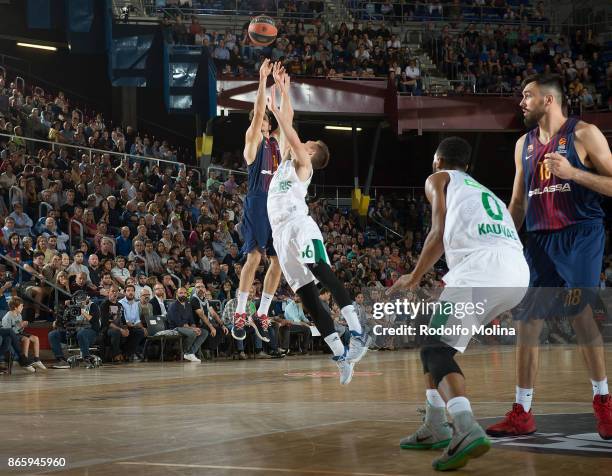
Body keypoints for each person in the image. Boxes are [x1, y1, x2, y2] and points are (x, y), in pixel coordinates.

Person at [388, 137, 529, 470]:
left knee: (435, 349)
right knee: (435, 345)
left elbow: (437, 233)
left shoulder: (439, 179)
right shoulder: (482, 191)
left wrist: (414, 275)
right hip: (517, 273)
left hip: (481, 271)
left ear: (438, 161)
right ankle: (435, 425)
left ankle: (464, 427)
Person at [486, 74, 612, 440]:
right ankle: (522, 411)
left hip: (580, 233)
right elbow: (519, 203)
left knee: (580, 312)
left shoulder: (584, 134)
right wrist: (502, 240)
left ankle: (603, 402)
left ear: (549, 101)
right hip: (539, 238)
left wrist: (573, 173)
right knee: (528, 320)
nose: (521, 102)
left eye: (528, 95)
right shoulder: (523, 144)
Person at [266, 66, 371, 385]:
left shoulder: (305, 163)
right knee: (308, 297)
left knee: (323, 271)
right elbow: (290, 125)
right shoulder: (287, 160)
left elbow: (291, 131)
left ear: (312, 152)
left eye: (308, 142)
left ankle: (358, 330)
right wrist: (284, 91)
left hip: (300, 226)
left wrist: (275, 109)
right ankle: (341, 355)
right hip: (281, 234)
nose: (303, 141)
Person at [232, 58, 283, 343]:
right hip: (256, 203)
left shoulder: (276, 143)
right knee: (253, 257)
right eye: (258, 115)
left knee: (278, 262)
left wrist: (283, 92)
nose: (261, 117)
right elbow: (259, 112)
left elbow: (287, 122)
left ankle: (261, 313)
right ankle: (240, 312)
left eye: (264, 117)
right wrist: (263, 80)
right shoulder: (253, 141)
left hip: (277, 206)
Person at [1, 297, 46, 370]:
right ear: (15, 307)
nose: (23, 307)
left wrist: (23, 326)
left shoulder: (19, 315)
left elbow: (20, 329)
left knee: (35, 338)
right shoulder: (8, 316)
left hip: (19, 333)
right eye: (21, 306)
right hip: (13, 335)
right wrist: (19, 326)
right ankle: (24, 360)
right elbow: (8, 331)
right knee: (26, 339)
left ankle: (37, 359)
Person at [167, 287, 208, 362]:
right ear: (177, 294)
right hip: (176, 327)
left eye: (185, 293)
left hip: (187, 328)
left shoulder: (188, 304)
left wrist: (194, 327)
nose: (183, 295)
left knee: (204, 332)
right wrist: (193, 329)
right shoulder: (173, 306)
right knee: (192, 333)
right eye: (181, 293)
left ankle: (190, 353)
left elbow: (191, 320)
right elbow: (179, 323)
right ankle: (184, 352)